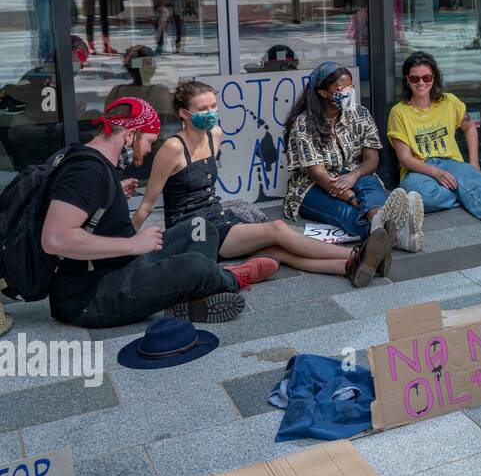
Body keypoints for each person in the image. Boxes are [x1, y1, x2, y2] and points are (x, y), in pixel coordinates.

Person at [39, 97, 266, 328]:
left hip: (119, 265)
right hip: (89, 297)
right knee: (196, 265)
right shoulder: (87, 172)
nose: (149, 150)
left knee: (201, 229)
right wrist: (133, 244)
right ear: (130, 134)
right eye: (149, 141)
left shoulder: (95, 164)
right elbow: (55, 239)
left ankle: (195, 294)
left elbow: (84, 208)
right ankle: (229, 278)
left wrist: (113, 194)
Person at [132, 80, 375, 284]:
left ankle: (348, 266)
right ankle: (359, 254)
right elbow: (146, 206)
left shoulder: (214, 134)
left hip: (216, 217)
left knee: (278, 251)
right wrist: (127, 243)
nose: (210, 113)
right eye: (202, 109)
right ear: (184, 114)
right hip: (193, 231)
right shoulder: (172, 148)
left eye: (213, 106)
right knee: (276, 229)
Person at [283, 62, 409, 284]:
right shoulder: (304, 123)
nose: (347, 92)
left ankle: (378, 227)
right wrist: (351, 197)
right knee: (346, 212)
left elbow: (372, 160)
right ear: (323, 93)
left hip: (353, 173)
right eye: (340, 89)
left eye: (350, 87)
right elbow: (318, 174)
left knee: (369, 183)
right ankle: (395, 234)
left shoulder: (360, 114)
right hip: (311, 186)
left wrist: (353, 176)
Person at [388, 51, 481, 233]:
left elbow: (469, 127)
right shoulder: (398, 112)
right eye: (415, 78)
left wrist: (474, 162)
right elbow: (405, 158)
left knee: (473, 176)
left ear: (434, 78)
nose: (421, 83)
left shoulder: (449, 101)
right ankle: (467, 195)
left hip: (450, 162)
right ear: (407, 79)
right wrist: (436, 173)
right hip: (418, 168)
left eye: (426, 77)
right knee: (416, 194)